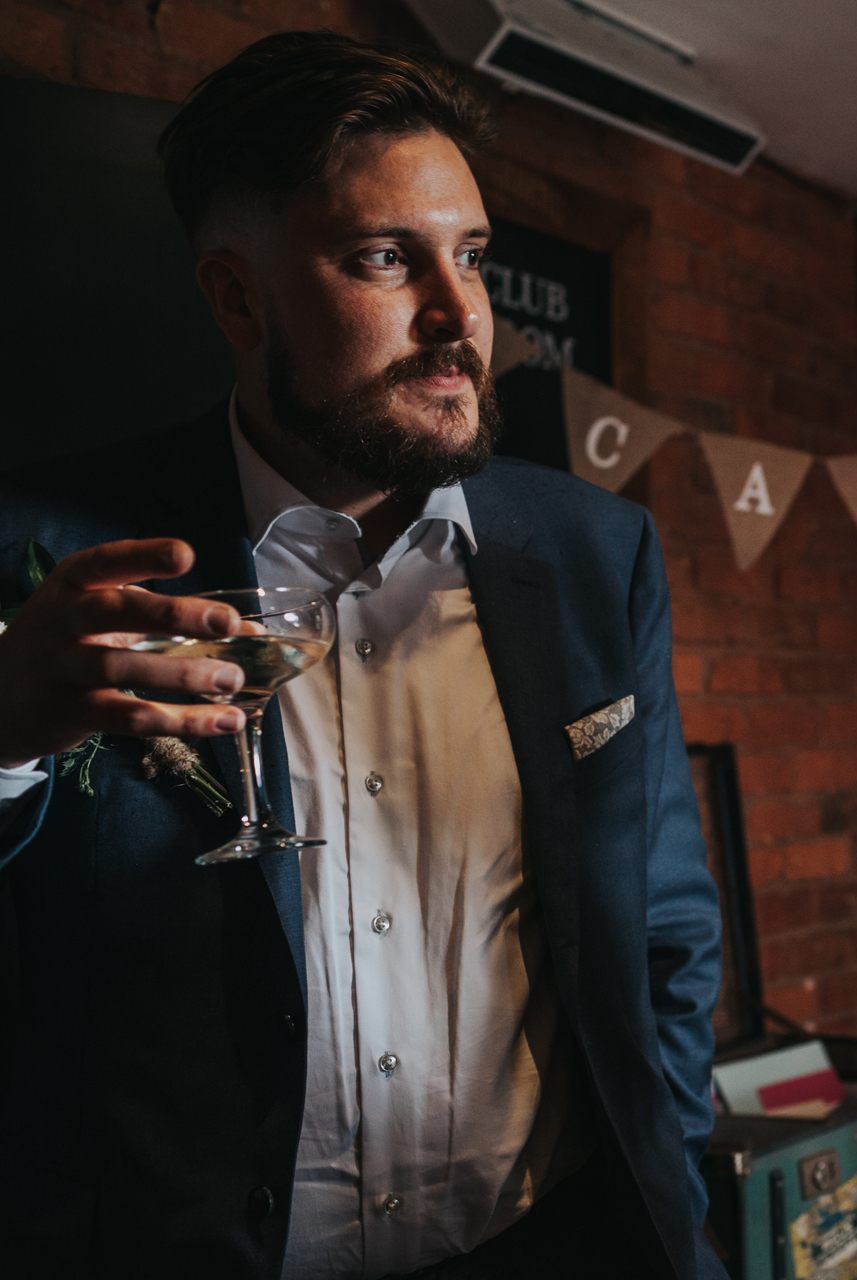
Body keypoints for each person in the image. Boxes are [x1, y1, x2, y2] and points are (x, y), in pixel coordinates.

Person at [0, 32, 726, 1280]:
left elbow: (663, 928)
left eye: (474, 257)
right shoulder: (56, 554)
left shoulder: (597, 554)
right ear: (237, 297)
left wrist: (668, 1176)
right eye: (386, 258)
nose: (460, 317)